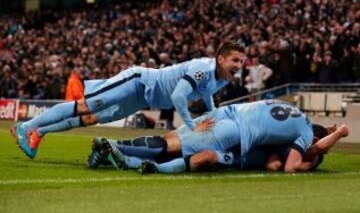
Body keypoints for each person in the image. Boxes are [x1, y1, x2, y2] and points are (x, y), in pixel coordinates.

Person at [10, 41, 246, 159]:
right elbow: (178, 96)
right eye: (235, 60)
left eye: (241, 62)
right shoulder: (202, 69)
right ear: (220, 58)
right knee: (84, 106)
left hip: (143, 99)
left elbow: (207, 94)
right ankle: (26, 126)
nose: (238, 66)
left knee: (92, 117)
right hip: (139, 82)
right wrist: (193, 126)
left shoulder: (221, 79)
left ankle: (38, 134)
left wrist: (214, 114)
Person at [88, 100, 348, 173]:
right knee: (175, 145)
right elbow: (302, 159)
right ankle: (114, 146)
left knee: (173, 139)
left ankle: (108, 153)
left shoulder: (293, 112)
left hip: (227, 111)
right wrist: (339, 134)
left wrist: (332, 133)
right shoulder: (301, 136)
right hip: (235, 131)